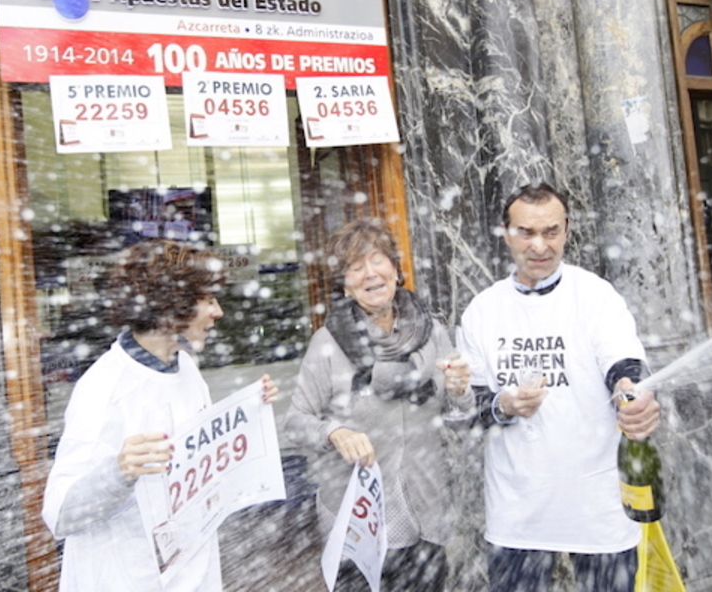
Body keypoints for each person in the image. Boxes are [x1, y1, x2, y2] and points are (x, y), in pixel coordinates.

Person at [456, 183, 661, 591]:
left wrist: (632, 394)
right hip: (518, 511)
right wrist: (504, 405)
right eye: (526, 232)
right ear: (505, 232)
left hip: (597, 504)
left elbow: (623, 364)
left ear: (567, 229)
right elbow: (470, 407)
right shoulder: (483, 310)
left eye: (551, 231)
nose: (539, 246)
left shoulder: (596, 296)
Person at [42, 239, 278, 592]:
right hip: (127, 578)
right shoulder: (103, 389)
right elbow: (60, 515)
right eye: (208, 300)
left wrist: (246, 412)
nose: (218, 312)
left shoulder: (185, 366)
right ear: (172, 305)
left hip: (190, 573)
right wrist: (119, 471)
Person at [284, 217, 476, 591]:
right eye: (355, 268)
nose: (370, 274)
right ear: (344, 283)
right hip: (360, 520)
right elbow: (296, 421)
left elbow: (460, 421)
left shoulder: (432, 332)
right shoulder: (328, 343)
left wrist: (458, 390)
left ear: (396, 269)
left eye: (377, 261)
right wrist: (334, 432)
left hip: (426, 509)